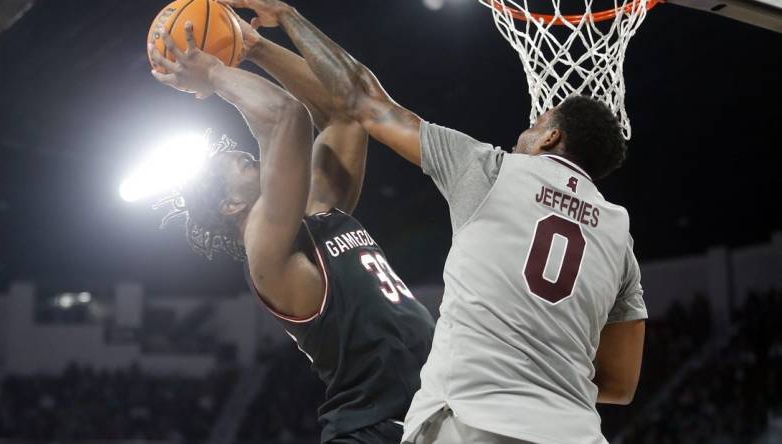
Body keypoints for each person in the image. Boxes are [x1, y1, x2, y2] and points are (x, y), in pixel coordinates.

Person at [218, 2, 648, 443]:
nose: (522, 136)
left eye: (534, 126)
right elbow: (619, 385)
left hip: (472, 421)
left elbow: (359, 100)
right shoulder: (620, 238)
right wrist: (548, 368)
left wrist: (287, 18)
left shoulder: (492, 170)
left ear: (550, 137)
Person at [149, 21, 435, 444]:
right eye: (246, 165)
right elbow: (285, 115)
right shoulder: (266, 254)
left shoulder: (318, 211)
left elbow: (344, 114)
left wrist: (255, 47)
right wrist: (213, 73)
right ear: (231, 205)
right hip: (371, 431)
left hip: (429, 416)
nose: (258, 161)